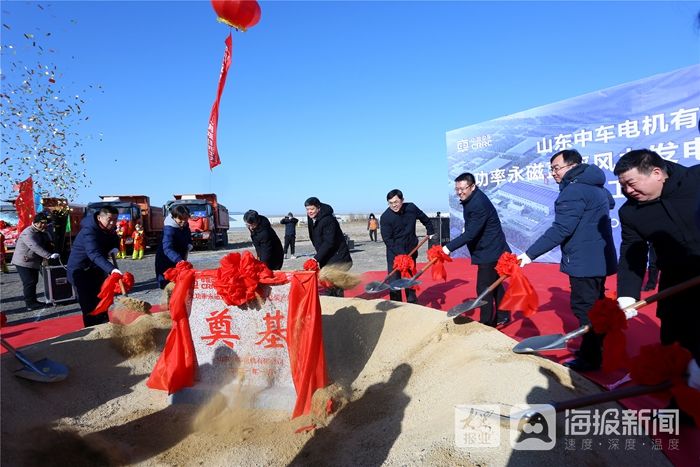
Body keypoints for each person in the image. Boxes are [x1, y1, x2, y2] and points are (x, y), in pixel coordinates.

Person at [517, 149, 617, 372]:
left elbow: (561, 229)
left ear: (572, 167)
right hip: (599, 259)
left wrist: (529, 254)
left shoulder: (573, 192)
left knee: (585, 309)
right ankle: (599, 346)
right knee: (597, 305)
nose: (553, 173)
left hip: (583, 261)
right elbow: (609, 203)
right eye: (551, 168)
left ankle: (590, 358)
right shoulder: (595, 185)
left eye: (556, 168)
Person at [614, 149, 700, 390]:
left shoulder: (696, 180)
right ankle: (680, 402)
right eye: (623, 186)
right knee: (675, 341)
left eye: (631, 183)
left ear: (657, 173)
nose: (628, 191)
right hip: (677, 281)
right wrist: (627, 295)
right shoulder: (630, 212)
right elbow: (633, 252)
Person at [441, 173, 511, 327]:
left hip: (490, 250)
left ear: (472, 186)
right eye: (457, 189)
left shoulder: (477, 203)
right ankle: (504, 315)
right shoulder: (473, 198)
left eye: (462, 188)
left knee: (484, 288)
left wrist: (447, 248)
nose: (459, 192)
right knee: (496, 284)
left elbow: (471, 234)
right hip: (493, 247)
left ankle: (486, 322)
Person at [66, 206, 121, 327]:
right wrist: (112, 269)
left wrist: (115, 246)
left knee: (102, 300)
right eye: (109, 219)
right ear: (99, 217)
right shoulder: (89, 230)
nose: (113, 223)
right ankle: (92, 332)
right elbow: (93, 253)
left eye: (115, 219)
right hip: (81, 271)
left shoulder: (110, 228)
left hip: (96, 269)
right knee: (89, 306)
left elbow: (114, 238)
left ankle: (105, 328)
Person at [380, 189, 435, 303]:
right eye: (390, 203)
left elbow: (425, 218)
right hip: (395, 255)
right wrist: (401, 254)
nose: (394, 205)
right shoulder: (385, 217)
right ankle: (396, 306)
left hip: (411, 251)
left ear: (402, 200)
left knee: (409, 280)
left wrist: (430, 230)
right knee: (394, 283)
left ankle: (412, 303)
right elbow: (388, 240)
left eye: (396, 202)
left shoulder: (411, 208)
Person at [304, 197, 352, 297]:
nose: (309, 212)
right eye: (307, 209)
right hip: (326, 255)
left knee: (336, 285)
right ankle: (333, 300)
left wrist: (315, 259)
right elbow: (314, 237)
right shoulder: (311, 218)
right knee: (328, 283)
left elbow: (329, 242)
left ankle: (339, 306)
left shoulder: (328, 220)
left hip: (337, 256)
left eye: (312, 209)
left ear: (318, 208)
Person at [10, 212, 59, 311]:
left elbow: (49, 243)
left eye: (46, 223)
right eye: (42, 223)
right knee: (29, 282)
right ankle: (30, 304)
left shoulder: (43, 231)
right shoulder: (27, 233)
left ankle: (34, 301)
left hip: (33, 261)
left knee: (34, 281)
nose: (44, 225)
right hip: (23, 262)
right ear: (35, 223)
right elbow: (35, 246)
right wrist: (49, 256)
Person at [155, 205, 193, 289]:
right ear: (174, 217)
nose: (183, 222)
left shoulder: (185, 225)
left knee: (180, 286)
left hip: (179, 259)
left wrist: (189, 244)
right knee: (168, 287)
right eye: (180, 219)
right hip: (166, 260)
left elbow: (188, 236)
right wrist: (179, 260)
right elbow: (167, 248)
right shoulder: (169, 229)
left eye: (186, 219)